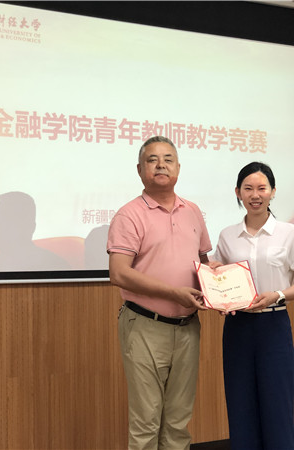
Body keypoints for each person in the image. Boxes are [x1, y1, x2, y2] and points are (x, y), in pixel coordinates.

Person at [107, 136, 213, 450]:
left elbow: (204, 263)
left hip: (188, 327)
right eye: (152, 160)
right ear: (140, 169)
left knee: (179, 422)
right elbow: (119, 273)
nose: (161, 165)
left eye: (168, 159)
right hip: (145, 326)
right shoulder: (129, 215)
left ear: (178, 167)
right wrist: (173, 293)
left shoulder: (192, 211)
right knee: (146, 421)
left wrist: (225, 281)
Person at [213, 162, 294, 450]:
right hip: (238, 327)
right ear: (238, 193)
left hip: (274, 325)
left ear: (273, 192)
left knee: (277, 404)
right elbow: (219, 277)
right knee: (240, 404)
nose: (255, 195)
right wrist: (216, 288)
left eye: (261, 188)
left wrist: (277, 295)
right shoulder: (227, 236)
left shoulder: (290, 233)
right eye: (248, 189)